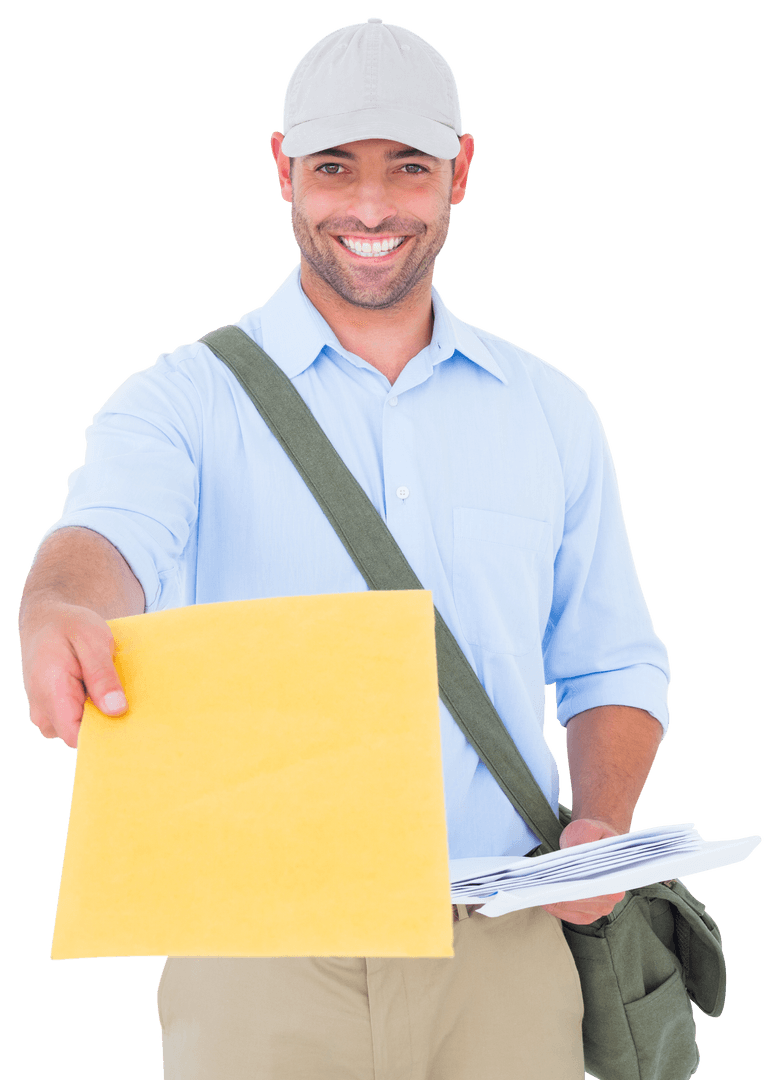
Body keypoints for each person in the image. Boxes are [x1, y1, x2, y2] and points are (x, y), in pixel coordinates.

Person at [18, 17, 670, 1080]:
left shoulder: (549, 411)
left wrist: (600, 822)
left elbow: (612, 664)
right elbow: (108, 533)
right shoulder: (181, 401)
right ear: (283, 168)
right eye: (334, 167)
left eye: (407, 167)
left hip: (503, 952)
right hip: (255, 957)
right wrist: (60, 606)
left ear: (460, 173)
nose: (369, 207)